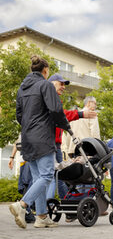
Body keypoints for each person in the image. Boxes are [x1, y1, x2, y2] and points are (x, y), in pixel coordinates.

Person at [9, 55, 70, 229]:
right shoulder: (45, 85)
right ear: (45, 71)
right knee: (46, 175)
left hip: (27, 137)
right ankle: (22, 205)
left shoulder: (22, 88)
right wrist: (65, 126)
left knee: (38, 177)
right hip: (43, 137)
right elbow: (56, 110)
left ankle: (42, 217)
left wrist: (29, 126)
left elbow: (19, 115)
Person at [46, 74, 97, 200]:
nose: (63, 87)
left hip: (62, 145)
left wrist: (68, 148)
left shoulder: (54, 99)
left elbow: (66, 128)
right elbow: (61, 116)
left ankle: (64, 204)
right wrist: (80, 114)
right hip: (54, 144)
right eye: (61, 83)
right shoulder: (50, 99)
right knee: (55, 176)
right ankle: (40, 207)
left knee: (59, 176)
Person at [8, 136, 35, 223]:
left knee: (26, 184)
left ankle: (28, 211)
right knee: (29, 184)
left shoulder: (24, 124)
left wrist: (12, 157)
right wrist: (11, 157)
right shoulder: (34, 124)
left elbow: (17, 142)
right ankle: (25, 210)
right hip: (31, 157)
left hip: (24, 158)